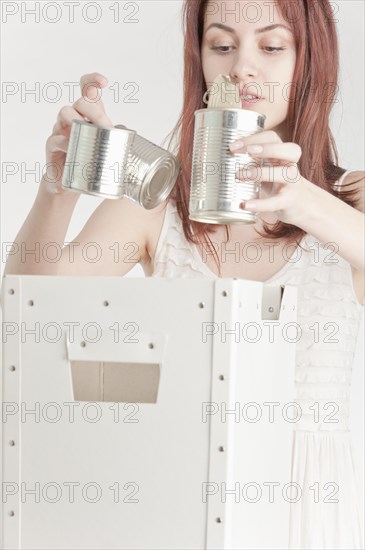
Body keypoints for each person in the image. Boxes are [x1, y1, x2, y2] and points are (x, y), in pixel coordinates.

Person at [3, 1, 364, 548]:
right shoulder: (159, 207)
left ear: (309, 64)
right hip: (180, 497)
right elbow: (29, 316)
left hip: (309, 509)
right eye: (221, 45)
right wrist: (57, 190)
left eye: (271, 46)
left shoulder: (350, 203)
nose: (242, 67)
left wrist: (303, 201)